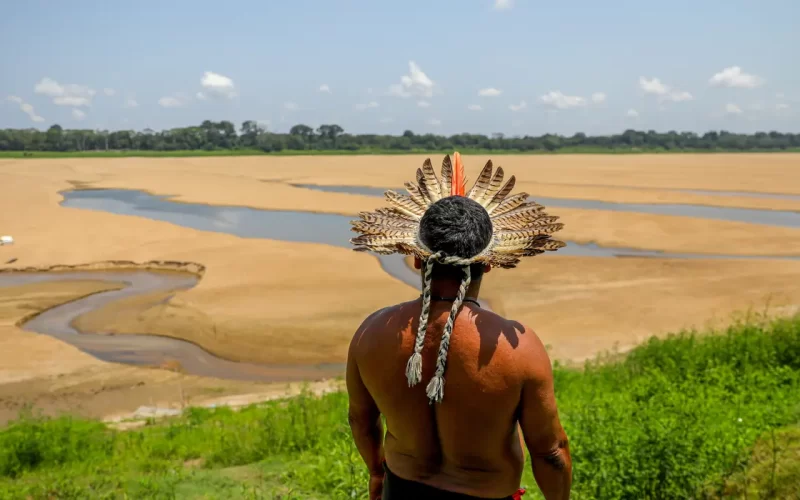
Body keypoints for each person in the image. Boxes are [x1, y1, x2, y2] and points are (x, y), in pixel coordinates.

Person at [346, 153, 572, 500]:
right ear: (490, 263)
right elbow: (551, 451)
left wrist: (377, 473)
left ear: (417, 257)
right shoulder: (520, 349)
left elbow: (361, 421)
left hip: (402, 488)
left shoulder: (371, 333)